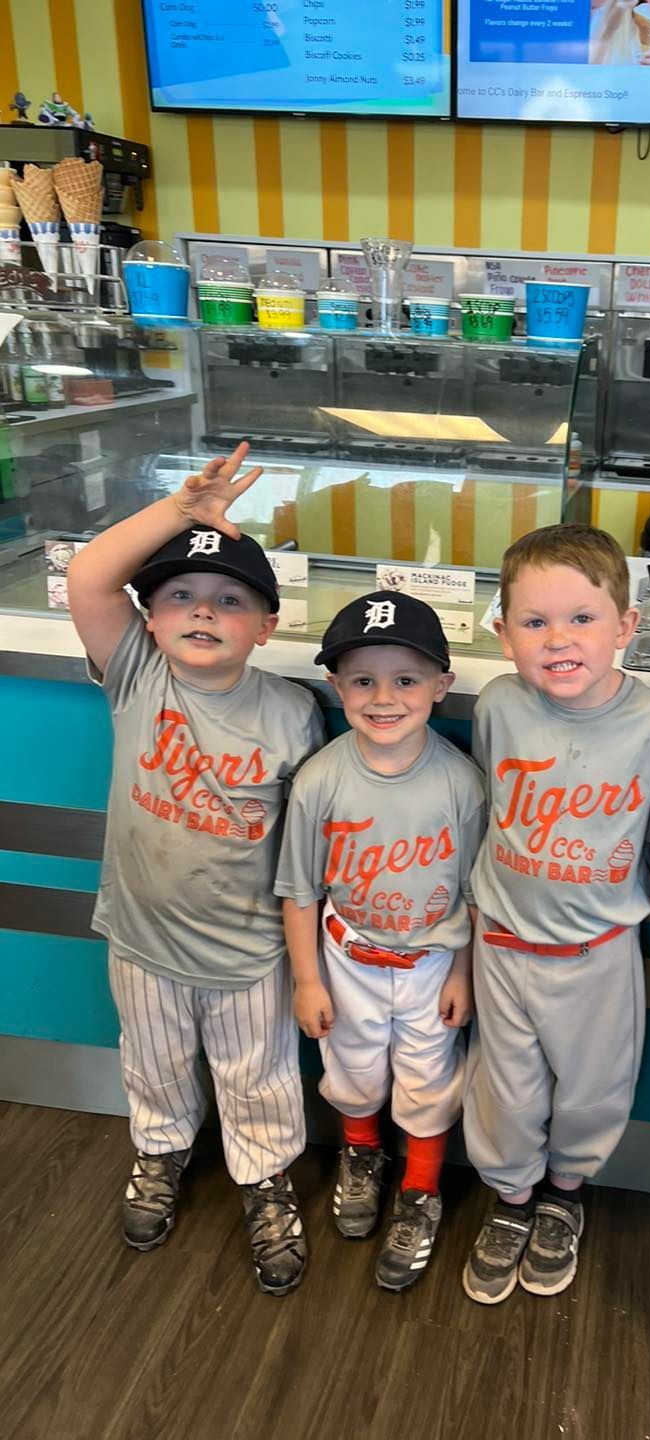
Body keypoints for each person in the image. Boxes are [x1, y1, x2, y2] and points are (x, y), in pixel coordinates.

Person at [66, 442, 325, 1296]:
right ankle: (160, 1154)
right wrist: (180, 513)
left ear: (266, 624)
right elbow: (90, 581)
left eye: (228, 600)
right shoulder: (137, 676)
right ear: (149, 620)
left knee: (259, 1077)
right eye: (179, 596)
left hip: (249, 948)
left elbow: (304, 847)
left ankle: (264, 1180)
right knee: (154, 1064)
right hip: (141, 937)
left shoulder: (293, 712)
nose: (202, 612)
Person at [462, 524, 650, 1304]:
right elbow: (492, 808)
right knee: (507, 1089)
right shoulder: (499, 704)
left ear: (626, 627)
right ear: (503, 635)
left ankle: (565, 1193)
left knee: (594, 1089)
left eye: (582, 619)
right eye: (534, 623)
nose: (558, 640)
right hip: (501, 944)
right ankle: (513, 1197)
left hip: (599, 950)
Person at [275, 592, 485, 1290]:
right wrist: (308, 979)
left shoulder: (461, 782)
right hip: (348, 957)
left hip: (431, 960)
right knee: (353, 1071)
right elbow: (301, 889)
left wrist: (463, 972)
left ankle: (420, 1189)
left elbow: (474, 896)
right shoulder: (322, 779)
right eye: (363, 680)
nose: (384, 697)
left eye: (406, 679)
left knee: (429, 1080)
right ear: (337, 686)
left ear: (442, 684)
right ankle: (360, 1155)